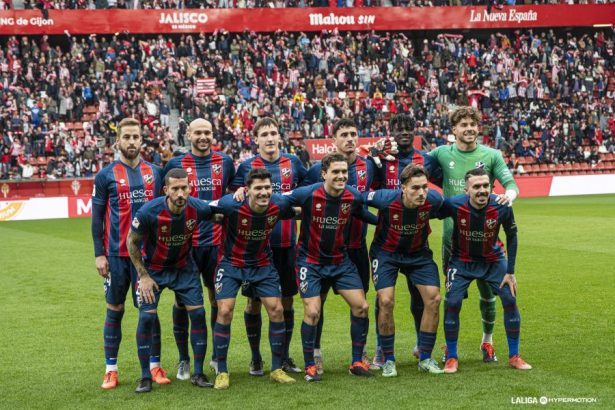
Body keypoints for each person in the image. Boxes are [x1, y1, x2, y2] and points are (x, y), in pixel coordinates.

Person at [428, 106, 519, 362]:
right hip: (452, 243)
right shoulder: (441, 153)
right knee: (453, 298)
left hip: (486, 240)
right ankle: (449, 348)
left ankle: (487, 342)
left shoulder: (491, 155)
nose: (469, 128)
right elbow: (417, 165)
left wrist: (507, 197)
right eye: (463, 124)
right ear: (453, 130)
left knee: (489, 294)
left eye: (473, 124)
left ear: (478, 128)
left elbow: (511, 184)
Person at [91, 117, 167, 390]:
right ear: (118, 141)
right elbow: (97, 216)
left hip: (147, 257)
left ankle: (155, 366)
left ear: (141, 140)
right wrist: (99, 254)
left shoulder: (155, 173)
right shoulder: (105, 175)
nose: (132, 141)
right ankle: (111, 369)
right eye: (127, 137)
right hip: (116, 256)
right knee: (115, 309)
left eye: (136, 137)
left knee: (150, 310)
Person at [285, 153, 376, 382]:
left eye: (344, 172)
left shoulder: (352, 196)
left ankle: (356, 361)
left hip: (340, 262)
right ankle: (310, 366)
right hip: (310, 261)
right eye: (335, 172)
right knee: (313, 311)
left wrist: (386, 220)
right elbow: (280, 202)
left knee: (361, 306)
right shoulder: (307, 194)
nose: (341, 176)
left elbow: (363, 212)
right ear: (324, 174)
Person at [230, 117, 307, 376]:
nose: (270, 138)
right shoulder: (247, 166)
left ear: (279, 136)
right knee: (253, 304)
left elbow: (306, 192)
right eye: (265, 134)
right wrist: (239, 192)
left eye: (274, 133)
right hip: (256, 248)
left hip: (286, 244)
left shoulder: (293, 163)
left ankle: (284, 357)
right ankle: (255, 358)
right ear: (256, 139)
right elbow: (234, 197)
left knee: (286, 302)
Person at [210, 168, 300, 390]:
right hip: (231, 263)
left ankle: (277, 368)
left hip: (262, 264)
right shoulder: (231, 203)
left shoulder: (278, 205)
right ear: (247, 190)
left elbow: (299, 206)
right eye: (258, 188)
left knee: (277, 309)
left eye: (267, 187)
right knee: (224, 310)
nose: (263, 192)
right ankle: (221, 370)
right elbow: (205, 210)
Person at [127, 168, 215, 393]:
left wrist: (240, 194)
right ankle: (145, 376)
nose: (180, 193)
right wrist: (143, 275)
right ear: (166, 190)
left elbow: (223, 210)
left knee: (198, 314)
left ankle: (197, 372)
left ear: (190, 188)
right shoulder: (149, 211)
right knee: (146, 318)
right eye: (175, 188)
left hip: (184, 268)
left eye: (184, 188)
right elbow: (132, 242)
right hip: (153, 270)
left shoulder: (197, 207)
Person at [368, 113, 443, 368]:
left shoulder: (428, 160)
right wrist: (373, 157)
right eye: (397, 129)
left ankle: (421, 346)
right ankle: (381, 347)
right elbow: (368, 188)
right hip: (387, 238)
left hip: (417, 240)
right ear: (391, 131)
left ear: (414, 131)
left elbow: (443, 188)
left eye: (407, 128)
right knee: (384, 299)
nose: (402, 133)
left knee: (420, 295)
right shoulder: (381, 158)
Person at [438, 168, 531, 373]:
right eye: (476, 186)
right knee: (452, 302)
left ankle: (514, 356)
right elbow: (430, 210)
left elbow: (512, 236)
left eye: (486, 186)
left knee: (510, 299)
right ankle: (451, 357)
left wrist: (511, 271)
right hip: (461, 261)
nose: (482, 190)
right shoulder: (454, 204)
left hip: (493, 261)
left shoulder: (502, 206)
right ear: (466, 189)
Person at [163, 118, 235, 380]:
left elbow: (236, 193)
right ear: (188, 134)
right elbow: (165, 200)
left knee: (218, 299)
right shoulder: (175, 164)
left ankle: (216, 356)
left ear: (213, 134)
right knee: (182, 302)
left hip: (217, 243)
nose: (203, 137)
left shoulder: (225, 162)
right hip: (186, 244)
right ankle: (183, 359)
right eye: (198, 133)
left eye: (207, 132)